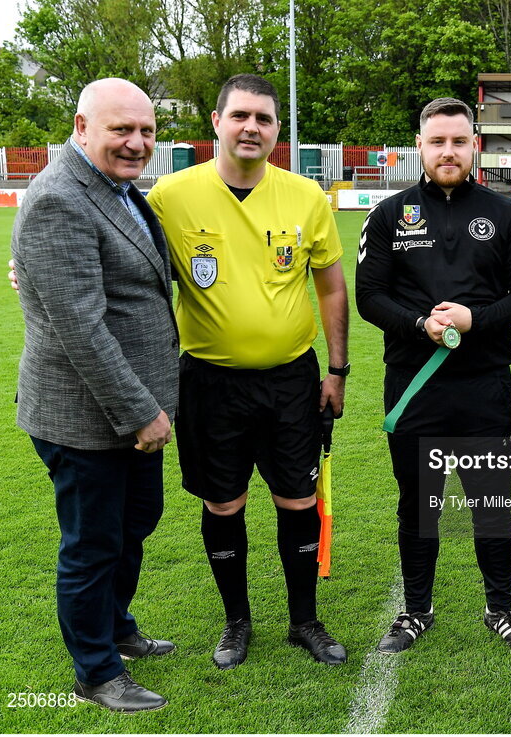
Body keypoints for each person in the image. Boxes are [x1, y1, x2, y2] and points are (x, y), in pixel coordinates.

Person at [146, 74, 349, 669]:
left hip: (291, 379)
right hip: (209, 381)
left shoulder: (306, 197)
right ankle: (237, 620)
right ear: (216, 122)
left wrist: (337, 369)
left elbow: (332, 289)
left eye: (264, 118)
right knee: (223, 504)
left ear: (277, 130)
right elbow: (114, 251)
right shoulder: (169, 197)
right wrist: (28, 262)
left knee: (297, 498)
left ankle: (304, 620)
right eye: (240, 116)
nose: (251, 127)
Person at [11, 78, 178, 713]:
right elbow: (80, 327)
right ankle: (97, 672)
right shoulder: (60, 198)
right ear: (82, 128)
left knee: (134, 523)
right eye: (121, 130)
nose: (136, 143)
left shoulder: (118, 190)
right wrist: (140, 411)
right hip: (86, 416)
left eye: (146, 130)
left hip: (133, 408)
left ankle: (116, 629)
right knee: (92, 544)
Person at [355, 98, 511, 654]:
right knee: (418, 503)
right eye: (437, 141)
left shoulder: (507, 215)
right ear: (420, 145)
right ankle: (415, 611)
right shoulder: (389, 215)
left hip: (484, 389)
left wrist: (473, 320)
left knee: (492, 503)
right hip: (414, 389)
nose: (448, 152)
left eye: (458, 142)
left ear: (475, 146)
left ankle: (501, 609)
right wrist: (420, 325)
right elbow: (370, 296)